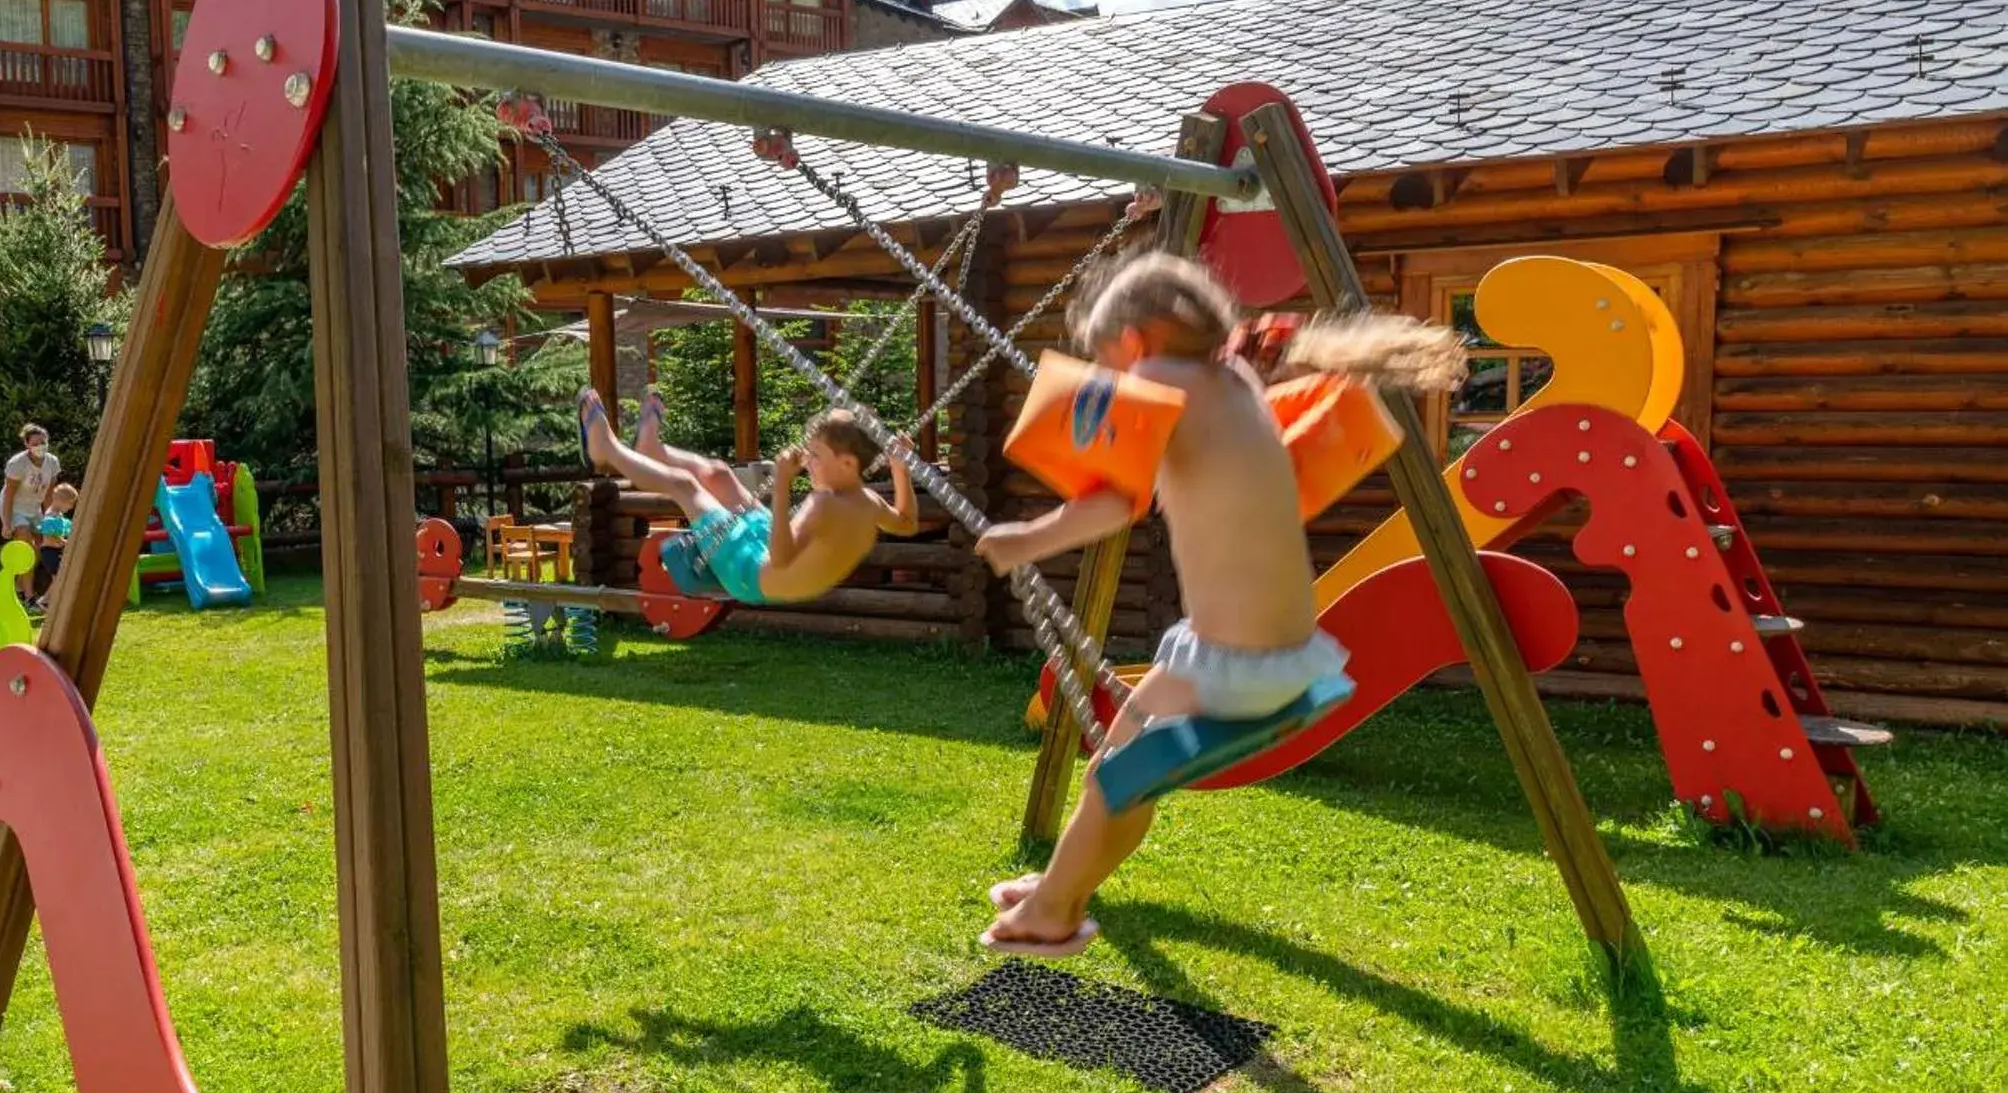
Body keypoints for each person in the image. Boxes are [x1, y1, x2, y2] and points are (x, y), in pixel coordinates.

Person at [975, 250, 1466, 957]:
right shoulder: (1232, 376)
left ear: (1136, 342)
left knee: (1120, 777)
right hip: (1264, 649)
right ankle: (1062, 882)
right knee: (1115, 762)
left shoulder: (1159, 383)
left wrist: (1025, 538)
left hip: (1238, 662)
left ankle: (1051, 915)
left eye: (1107, 357)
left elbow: (1113, 502)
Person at [578, 385, 919, 605]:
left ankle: (606, 449)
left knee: (685, 485)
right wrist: (900, 468)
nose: (809, 462)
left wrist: (783, 482)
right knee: (719, 475)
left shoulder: (824, 504)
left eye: (816, 455)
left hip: (750, 574)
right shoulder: (867, 501)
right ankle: (652, 449)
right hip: (762, 555)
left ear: (847, 463)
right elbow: (906, 522)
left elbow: (782, 557)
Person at [0, 424, 62, 599]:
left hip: (35, 507)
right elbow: (9, 495)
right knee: (25, 545)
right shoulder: (17, 464)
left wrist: (51, 518)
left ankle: (19, 584)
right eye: (35, 443)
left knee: (45, 545)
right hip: (15, 507)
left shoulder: (52, 462)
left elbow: (49, 494)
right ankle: (29, 596)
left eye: (43, 442)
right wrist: (6, 523)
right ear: (27, 445)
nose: (40, 446)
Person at [30, 483, 78, 610]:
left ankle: (50, 601)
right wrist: (63, 541)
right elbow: (49, 534)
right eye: (70, 503)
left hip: (56, 551)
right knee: (60, 578)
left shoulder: (58, 514)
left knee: (60, 578)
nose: (71, 507)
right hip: (50, 552)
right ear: (59, 501)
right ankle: (44, 601)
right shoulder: (51, 515)